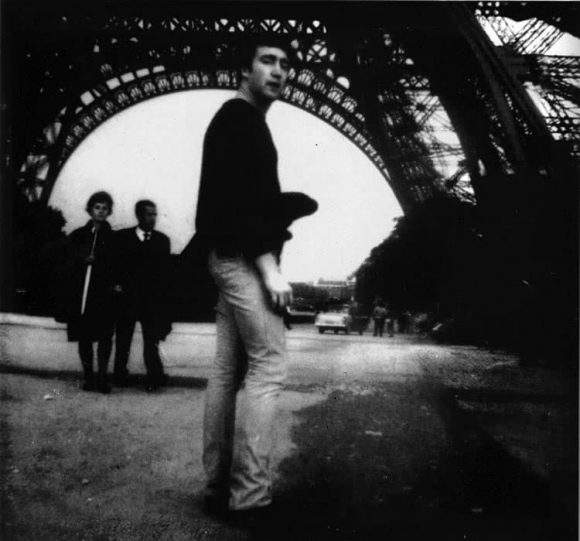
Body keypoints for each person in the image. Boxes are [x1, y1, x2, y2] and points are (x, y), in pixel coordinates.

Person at [194, 34, 317, 515]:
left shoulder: (236, 119)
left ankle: (217, 487)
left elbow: (236, 202)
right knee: (268, 367)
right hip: (244, 259)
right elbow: (243, 204)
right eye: (268, 60)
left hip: (224, 255)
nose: (280, 70)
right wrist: (270, 268)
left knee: (226, 373)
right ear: (244, 70)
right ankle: (250, 496)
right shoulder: (243, 121)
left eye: (287, 63)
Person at [113, 200, 172, 392]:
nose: (153, 218)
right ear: (139, 215)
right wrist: (117, 285)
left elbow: (164, 273)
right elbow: (115, 266)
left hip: (150, 301)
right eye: (149, 214)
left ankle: (154, 378)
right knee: (123, 340)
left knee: (151, 343)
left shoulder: (162, 241)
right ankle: (119, 375)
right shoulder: (122, 238)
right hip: (127, 300)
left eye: (155, 214)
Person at [64, 191, 116, 393]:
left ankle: (102, 378)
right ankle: (89, 378)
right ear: (90, 210)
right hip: (83, 294)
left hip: (103, 295)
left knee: (104, 337)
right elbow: (66, 263)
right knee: (85, 337)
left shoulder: (112, 238)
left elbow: (117, 265)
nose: (101, 211)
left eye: (104, 208)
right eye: (97, 207)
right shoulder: (78, 235)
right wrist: (82, 260)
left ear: (109, 211)